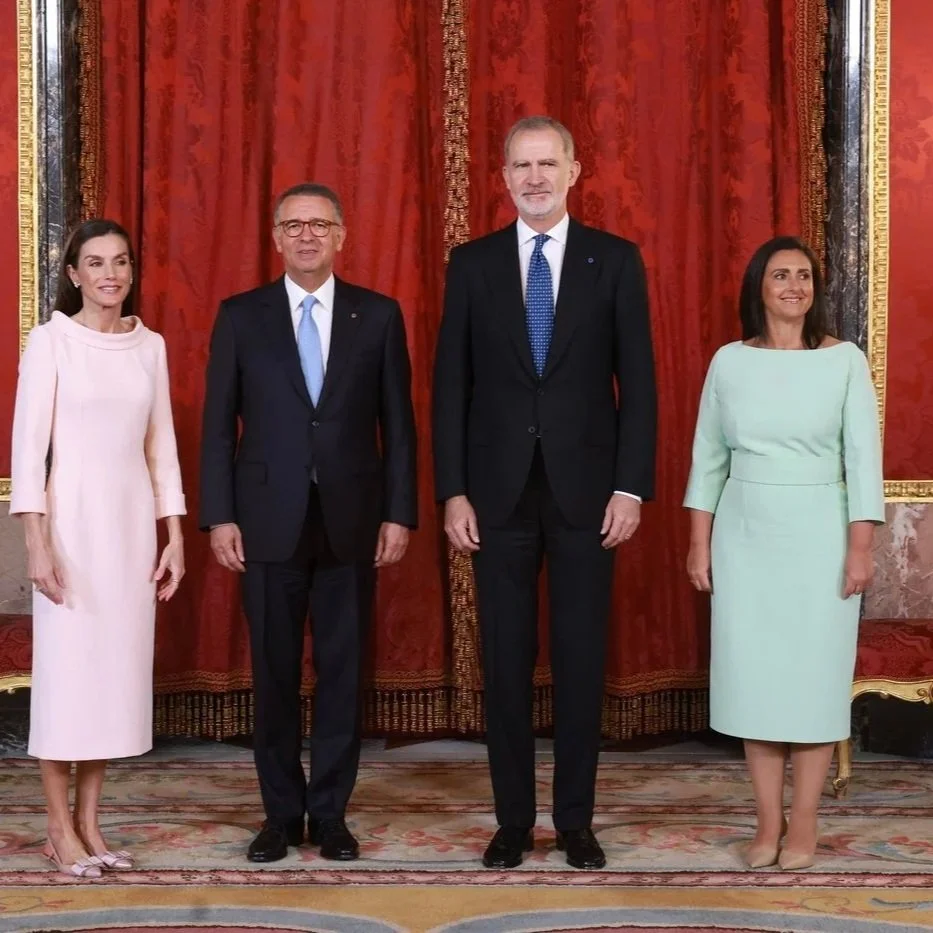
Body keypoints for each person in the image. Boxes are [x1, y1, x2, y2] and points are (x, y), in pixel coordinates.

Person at [432, 116, 657, 870]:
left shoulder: (615, 261)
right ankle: (510, 821)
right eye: (520, 165)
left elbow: (641, 387)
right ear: (502, 177)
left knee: (580, 661)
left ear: (573, 170)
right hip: (494, 498)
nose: (533, 177)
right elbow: (448, 387)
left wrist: (630, 486)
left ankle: (575, 822)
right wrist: (453, 492)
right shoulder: (472, 264)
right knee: (503, 663)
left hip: (588, 496)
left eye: (546, 163)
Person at [200, 183, 417, 863]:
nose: (305, 235)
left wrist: (399, 512)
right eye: (292, 225)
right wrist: (219, 515)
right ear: (274, 237)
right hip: (265, 520)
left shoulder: (377, 316)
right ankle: (278, 814)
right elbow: (216, 426)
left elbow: (399, 427)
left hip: (352, 520)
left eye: (318, 224)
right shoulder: (241, 316)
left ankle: (329, 813)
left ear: (341, 235)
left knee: (342, 672)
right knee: (271, 672)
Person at [684, 236, 884, 871]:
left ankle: (805, 823)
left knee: (812, 685)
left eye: (804, 275)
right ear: (758, 288)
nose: (794, 285)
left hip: (820, 536)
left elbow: (863, 462)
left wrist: (860, 550)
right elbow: (707, 460)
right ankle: (766, 823)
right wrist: (698, 543)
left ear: (815, 290)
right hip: (744, 536)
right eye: (780, 275)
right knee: (756, 683)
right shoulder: (728, 362)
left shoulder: (844, 361)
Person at [10, 219, 186, 878]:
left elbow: (160, 447)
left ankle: (90, 822)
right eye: (94, 262)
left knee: (110, 682)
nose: (109, 274)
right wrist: (36, 542)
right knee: (67, 683)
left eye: (119, 262)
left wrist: (173, 535)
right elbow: (29, 451)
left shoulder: (150, 346)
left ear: (130, 271)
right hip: (71, 530)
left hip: (131, 528)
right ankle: (58, 828)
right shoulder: (51, 342)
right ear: (73, 274)